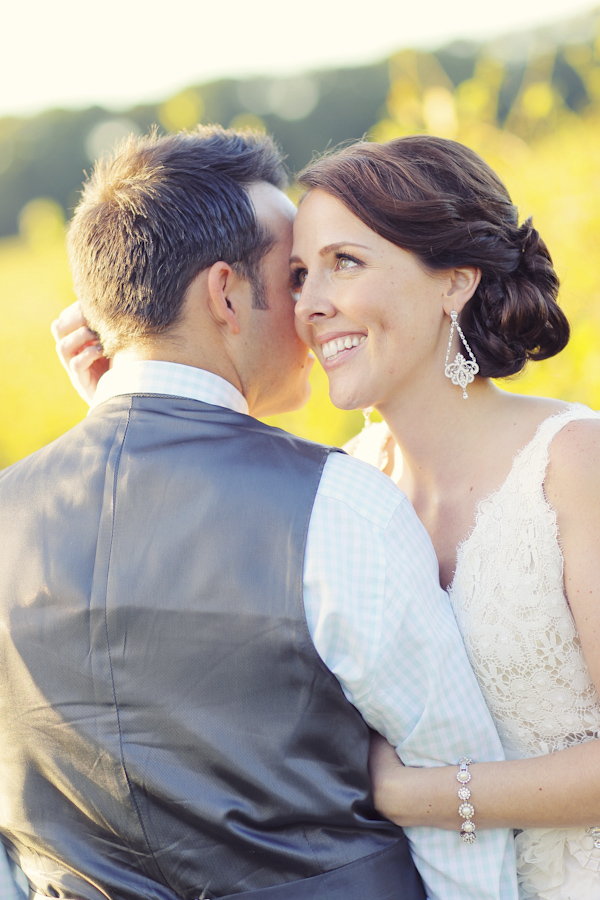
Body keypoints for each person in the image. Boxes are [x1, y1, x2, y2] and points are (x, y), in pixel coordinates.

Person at [0, 127, 517, 900]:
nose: (312, 310)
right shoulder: (339, 505)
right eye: (294, 275)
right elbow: (453, 802)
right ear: (225, 294)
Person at [287, 135, 600, 900]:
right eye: (299, 275)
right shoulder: (346, 488)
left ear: (454, 281)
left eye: (344, 262)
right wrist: (125, 391)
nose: (309, 303)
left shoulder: (573, 461)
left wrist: (411, 796)